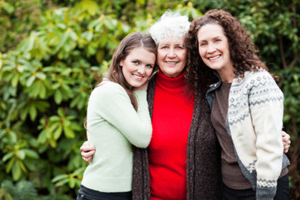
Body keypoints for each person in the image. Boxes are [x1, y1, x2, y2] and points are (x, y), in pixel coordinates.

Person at [80, 11, 291, 200]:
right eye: (164, 47)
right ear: (156, 52)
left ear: (189, 52)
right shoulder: (140, 90)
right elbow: (113, 125)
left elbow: (234, 129)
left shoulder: (208, 87)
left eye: (179, 47)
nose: (171, 54)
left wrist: (274, 138)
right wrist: (92, 146)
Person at [185, 9, 290, 200]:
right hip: (228, 189)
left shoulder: (257, 82)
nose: (210, 49)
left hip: (262, 187)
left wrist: (265, 193)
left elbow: (269, 144)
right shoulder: (210, 87)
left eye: (217, 40)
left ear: (230, 41)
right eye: (203, 44)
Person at [76, 32, 156, 200]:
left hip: (120, 193)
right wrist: (141, 93)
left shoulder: (124, 94)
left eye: (149, 66)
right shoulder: (110, 91)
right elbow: (142, 138)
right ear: (121, 60)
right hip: (102, 194)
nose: (142, 71)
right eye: (136, 62)